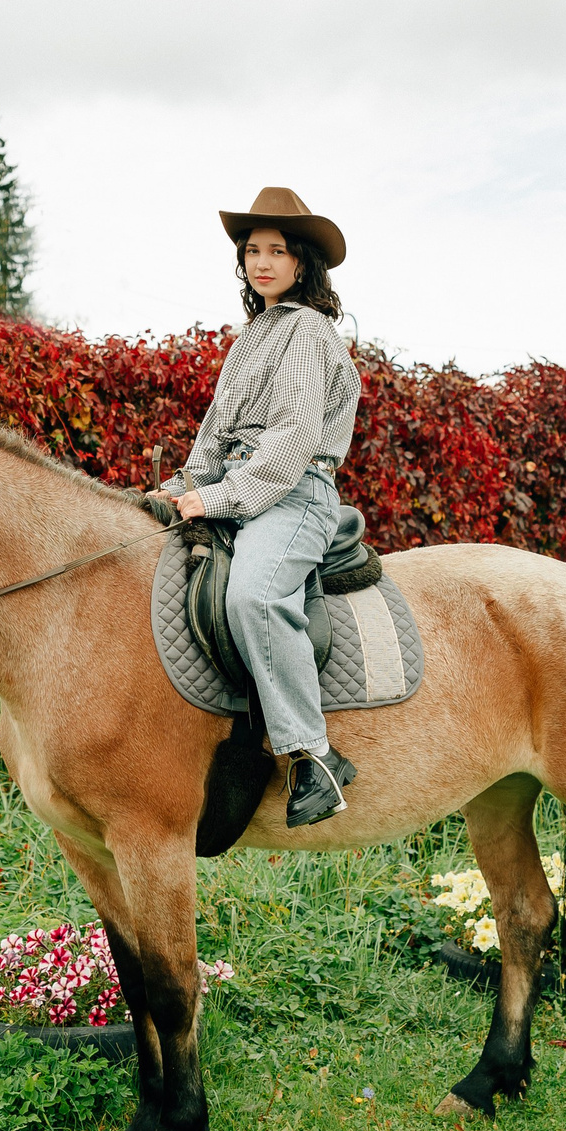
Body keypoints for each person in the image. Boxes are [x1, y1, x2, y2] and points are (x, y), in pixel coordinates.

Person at [163, 187, 364, 828]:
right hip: (244, 485)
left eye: (277, 251)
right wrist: (181, 488)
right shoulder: (252, 337)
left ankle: (317, 757)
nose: (263, 262)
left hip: (294, 493)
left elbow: (293, 439)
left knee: (254, 595)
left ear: (302, 263)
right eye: (253, 251)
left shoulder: (306, 330)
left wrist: (218, 497)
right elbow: (215, 433)